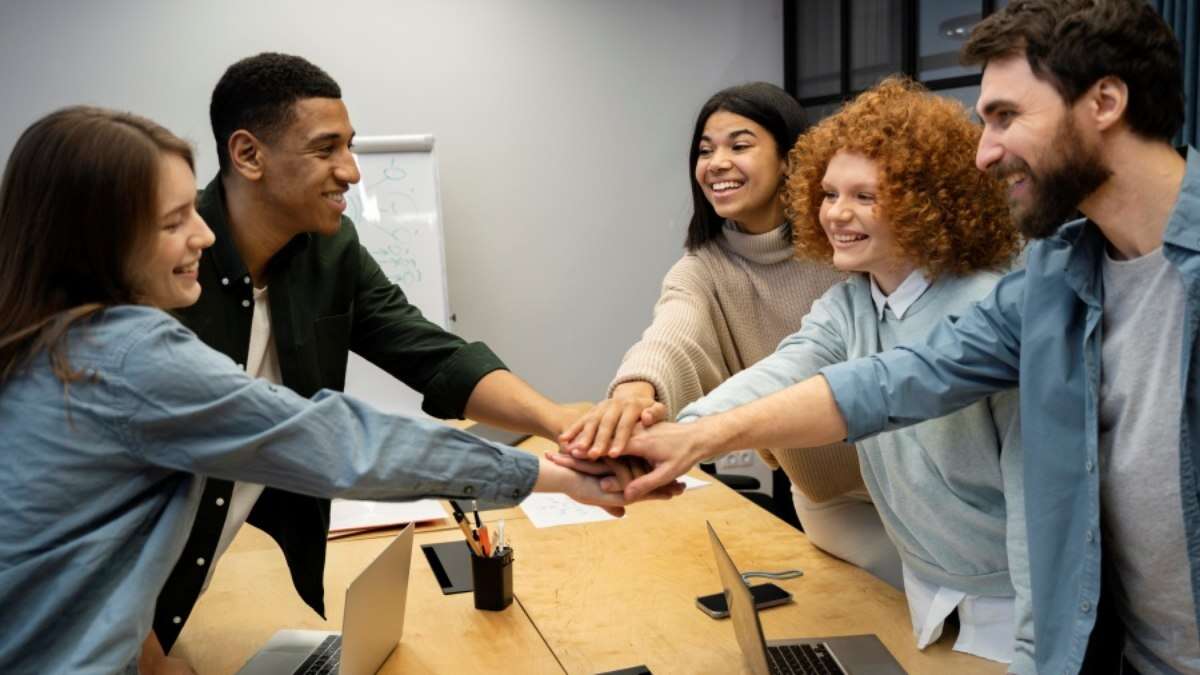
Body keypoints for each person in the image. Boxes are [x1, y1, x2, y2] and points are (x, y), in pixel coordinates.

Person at [608, 0, 1199, 671]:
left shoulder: (1027, 281)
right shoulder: (1059, 275)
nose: (985, 153)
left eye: (1006, 116)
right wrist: (685, 433)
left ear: (1105, 102)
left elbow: (1042, 520)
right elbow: (887, 380)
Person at [0, 106, 657, 674]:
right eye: (175, 221)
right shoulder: (123, 354)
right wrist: (554, 473)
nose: (202, 233)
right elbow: (336, 442)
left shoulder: (43, 341)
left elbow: (84, 557)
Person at [151, 52, 600, 652]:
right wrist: (146, 652)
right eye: (326, 149)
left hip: (195, 585)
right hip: (124, 612)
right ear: (248, 155)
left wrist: (561, 423)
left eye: (350, 146)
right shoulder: (162, 276)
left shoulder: (329, 252)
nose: (352, 172)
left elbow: (429, 352)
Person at [654, 77, 1030, 667]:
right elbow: (784, 370)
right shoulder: (853, 302)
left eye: (865, 197)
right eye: (829, 194)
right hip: (929, 587)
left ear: (925, 202)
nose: (837, 214)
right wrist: (679, 431)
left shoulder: (987, 310)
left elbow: (1039, 510)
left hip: (1010, 606)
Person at [558, 82, 903, 587]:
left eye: (739, 145)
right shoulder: (704, 268)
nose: (716, 162)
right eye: (705, 149)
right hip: (831, 502)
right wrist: (636, 392)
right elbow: (674, 333)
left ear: (791, 159)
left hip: (914, 486)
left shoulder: (847, 244)